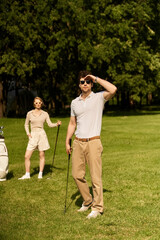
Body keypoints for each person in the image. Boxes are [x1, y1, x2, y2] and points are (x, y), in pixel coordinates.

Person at [65, 71, 117, 219]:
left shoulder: (99, 97)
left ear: (92, 84)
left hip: (93, 141)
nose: (85, 84)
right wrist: (67, 141)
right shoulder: (75, 102)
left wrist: (94, 77)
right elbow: (72, 123)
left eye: (88, 82)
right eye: (82, 82)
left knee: (95, 177)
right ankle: (87, 201)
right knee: (76, 174)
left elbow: (113, 89)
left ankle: (98, 207)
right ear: (79, 85)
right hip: (78, 142)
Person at [19, 97, 61, 180]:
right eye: (36, 103)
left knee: (41, 155)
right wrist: (28, 133)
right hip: (33, 135)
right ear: (34, 104)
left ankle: (40, 174)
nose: (38, 104)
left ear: (41, 103)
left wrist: (56, 124)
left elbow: (49, 124)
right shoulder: (29, 113)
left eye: (39, 102)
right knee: (27, 156)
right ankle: (27, 174)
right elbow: (26, 124)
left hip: (41, 135)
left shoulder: (45, 114)